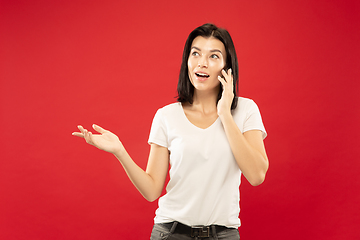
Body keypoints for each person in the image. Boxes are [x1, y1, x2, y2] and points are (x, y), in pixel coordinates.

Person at [72, 23, 268, 240]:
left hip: (223, 234)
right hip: (171, 233)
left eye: (213, 56)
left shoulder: (246, 110)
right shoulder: (166, 116)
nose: (202, 63)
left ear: (227, 66)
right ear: (187, 60)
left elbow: (257, 175)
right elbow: (152, 190)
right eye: (196, 53)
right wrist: (120, 151)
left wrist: (225, 113)